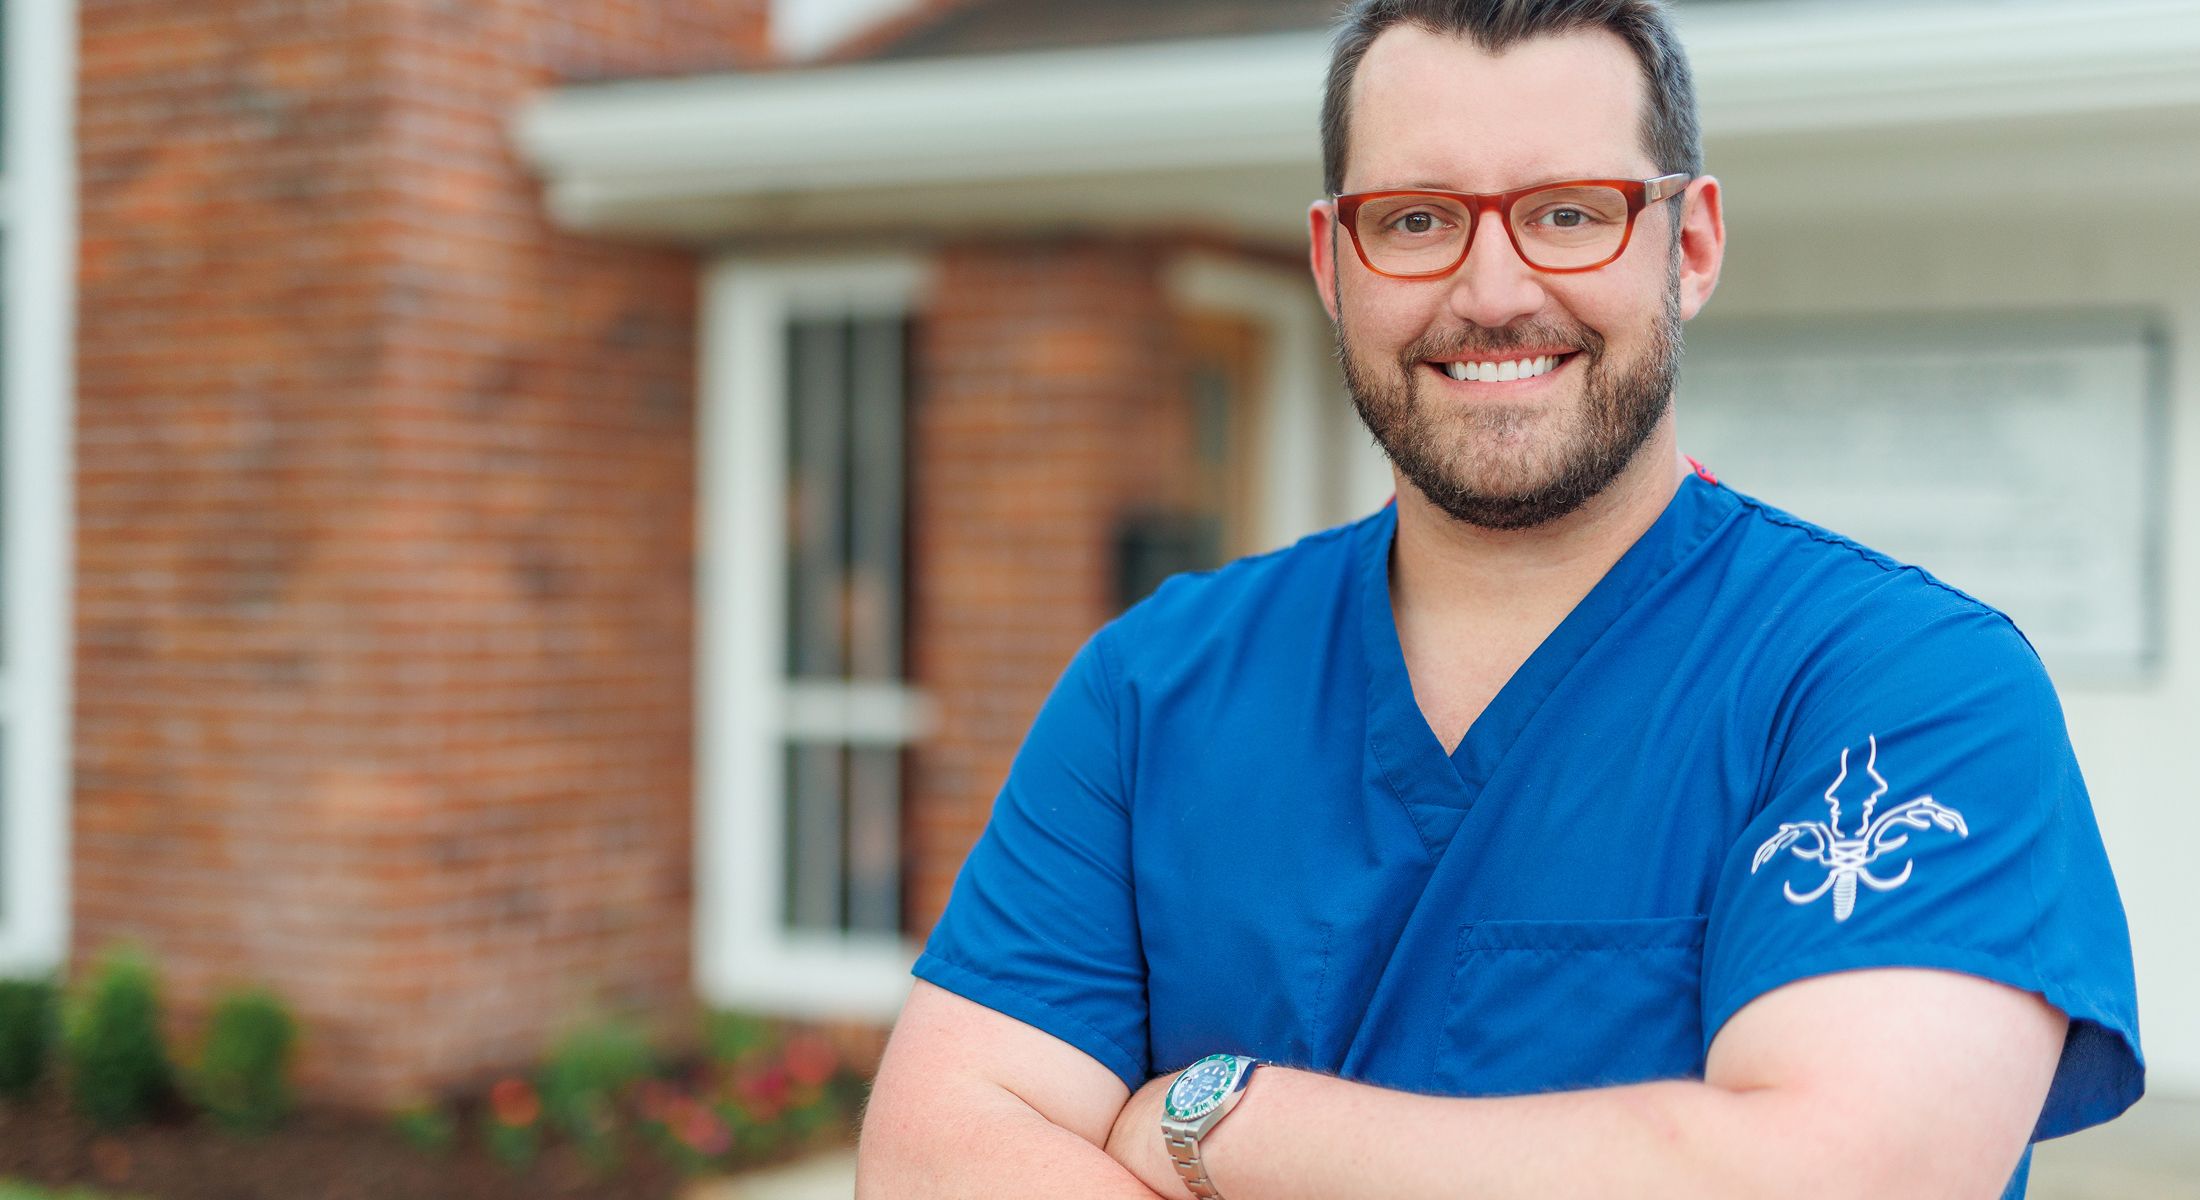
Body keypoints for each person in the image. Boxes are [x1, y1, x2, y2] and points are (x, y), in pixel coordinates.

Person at [855, 1, 2145, 1197]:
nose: (1493, 292)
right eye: (1416, 219)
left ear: (1686, 246)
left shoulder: (1896, 683)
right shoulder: (1157, 686)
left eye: (1570, 212)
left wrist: (1222, 1118)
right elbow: (933, 1160)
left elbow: (1838, 1175)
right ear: (1334, 260)